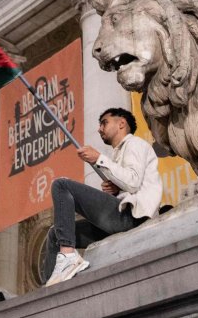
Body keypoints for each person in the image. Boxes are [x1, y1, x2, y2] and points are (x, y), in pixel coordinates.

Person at [41, 107, 162, 286]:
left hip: (132, 218)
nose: (99, 129)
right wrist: (116, 189)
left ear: (122, 123)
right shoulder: (117, 154)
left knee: (61, 185)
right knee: (55, 233)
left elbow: (133, 181)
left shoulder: (134, 144)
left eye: (104, 123)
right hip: (119, 219)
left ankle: (68, 256)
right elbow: (130, 184)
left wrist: (99, 158)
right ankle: (49, 288)